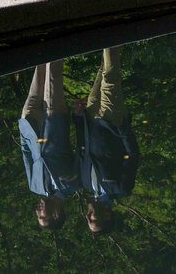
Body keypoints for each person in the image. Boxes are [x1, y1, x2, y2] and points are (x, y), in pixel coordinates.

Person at [73, 47, 139, 234]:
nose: (87, 216)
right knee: (110, 78)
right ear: (108, 215)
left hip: (91, 119)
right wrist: (123, 131)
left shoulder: (85, 184)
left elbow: (82, 150)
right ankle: (111, 30)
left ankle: (117, 38)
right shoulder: (121, 189)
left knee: (103, 72)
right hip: (112, 122)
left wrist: (78, 119)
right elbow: (133, 156)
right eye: (92, 219)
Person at [19, 61, 80, 230]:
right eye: (42, 215)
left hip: (31, 125)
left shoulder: (34, 186)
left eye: (38, 216)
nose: (37, 211)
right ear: (56, 214)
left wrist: (23, 131)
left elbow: (27, 157)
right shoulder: (75, 183)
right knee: (53, 73)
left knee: (38, 71)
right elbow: (81, 150)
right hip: (55, 120)